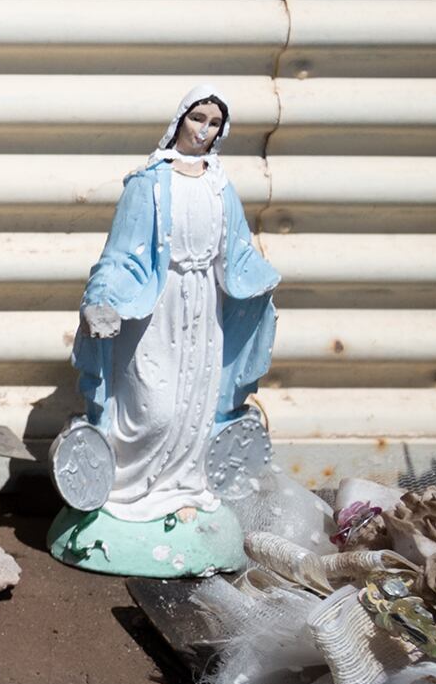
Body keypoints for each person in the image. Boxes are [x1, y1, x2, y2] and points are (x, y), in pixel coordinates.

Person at [57, 84, 278, 576]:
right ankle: (124, 490)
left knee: (195, 406)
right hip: (156, 309)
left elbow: (237, 250)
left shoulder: (220, 184)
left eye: (214, 123)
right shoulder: (149, 183)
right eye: (197, 118)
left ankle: (181, 487)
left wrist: (259, 277)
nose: (204, 130)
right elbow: (120, 253)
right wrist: (103, 299)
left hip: (205, 307)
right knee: (154, 409)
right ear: (180, 120)